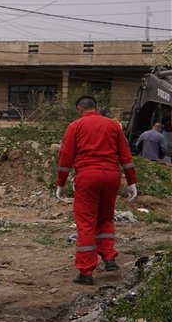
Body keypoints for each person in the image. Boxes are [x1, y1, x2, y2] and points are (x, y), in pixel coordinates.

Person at [55, 95, 137, 286]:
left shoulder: (75, 126)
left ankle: (86, 272)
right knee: (106, 217)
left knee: (86, 223)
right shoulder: (113, 126)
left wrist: (61, 184)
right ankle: (109, 258)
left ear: (79, 109)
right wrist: (132, 181)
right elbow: (125, 155)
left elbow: (65, 158)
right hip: (111, 176)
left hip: (88, 177)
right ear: (97, 107)